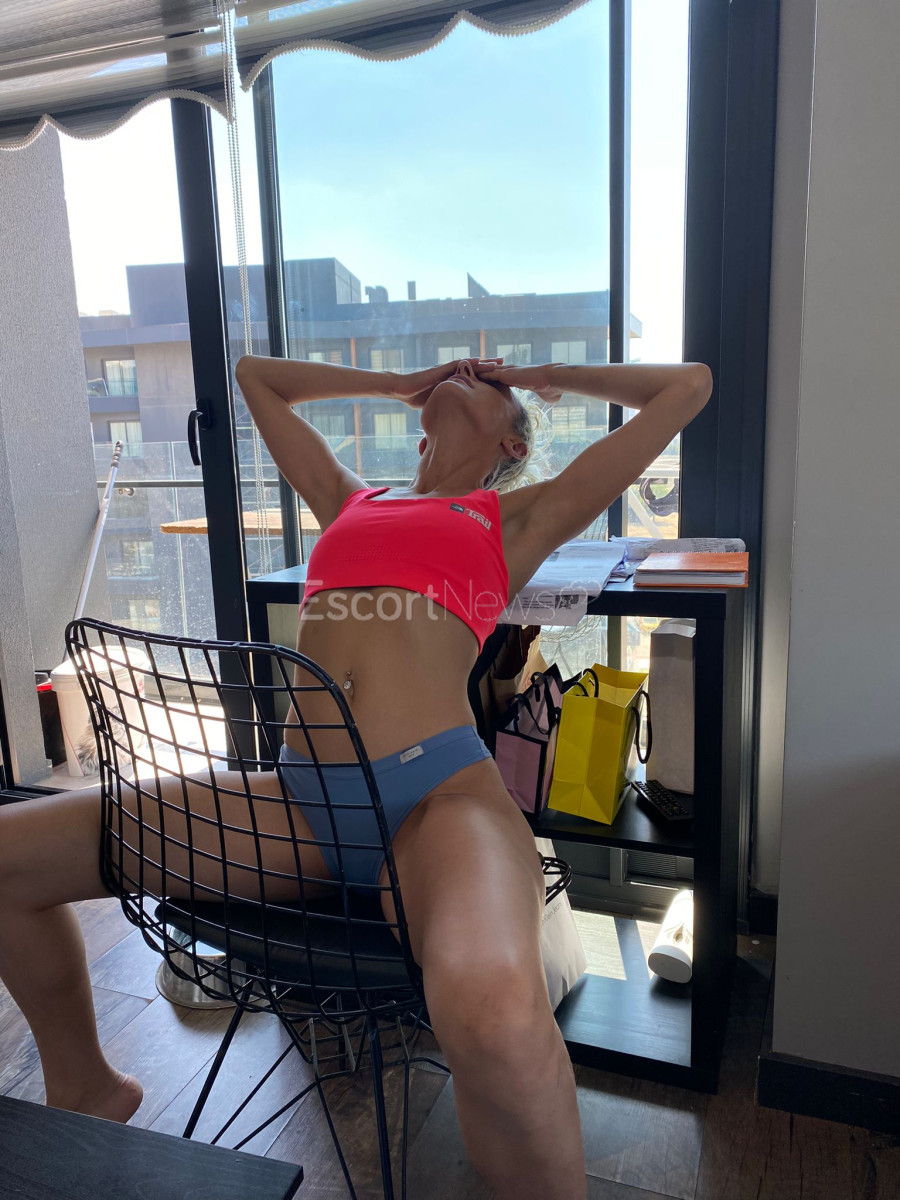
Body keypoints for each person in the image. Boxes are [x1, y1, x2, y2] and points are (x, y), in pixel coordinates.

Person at [0, 353, 711, 1200]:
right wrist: (396, 383)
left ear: (512, 441)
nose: (469, 372)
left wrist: (539, 372)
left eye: (489, 386)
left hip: (438, 803)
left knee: (492, 1010)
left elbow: (688, 387)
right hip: (296, 804)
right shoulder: (351, 500)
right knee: (8, 858)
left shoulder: (514, 516)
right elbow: (254, 377)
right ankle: (85, 1087)